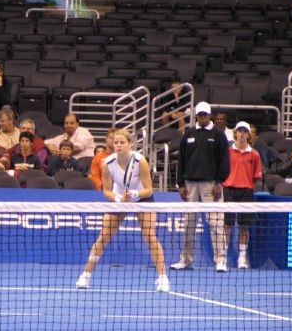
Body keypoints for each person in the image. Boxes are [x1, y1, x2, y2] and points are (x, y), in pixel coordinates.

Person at [76, 129, 170, 292]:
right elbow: (106, 190)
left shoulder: (140, 161)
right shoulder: (107, 163)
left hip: (142, 198)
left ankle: (163, 278)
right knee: (104, 237)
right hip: (119, 199)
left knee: (150, 236)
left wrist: (135, 193)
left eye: (122, 142)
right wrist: (118, 198)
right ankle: (85, 276)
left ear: (129, 144)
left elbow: (149, 189)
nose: (118, 145)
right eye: (116, 142)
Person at [171, 101, 230, 273]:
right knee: (189, 224)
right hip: (190, 185)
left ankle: (221, 261)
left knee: (216, 223)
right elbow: (182, 160)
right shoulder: (188, 133)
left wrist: (219, 182)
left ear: (210, 115)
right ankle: (186, 260)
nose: (203, 117)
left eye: (205, 114)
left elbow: (224, 161)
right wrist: (180, 184)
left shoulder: (218, 135)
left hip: (211, 185)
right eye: (200, 115)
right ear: (196, 116)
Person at [222, 122, 262, 270]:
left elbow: (256, 177)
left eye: (245, 131)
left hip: (246, 192)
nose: (242, 133)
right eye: (240, 131)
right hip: (229, 191)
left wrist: (245, 183)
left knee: (244, 227)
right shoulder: (227, 152)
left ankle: (242, 258)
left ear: (248, 135)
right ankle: (223, 258)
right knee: (227, 226)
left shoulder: (255, 155)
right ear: (236, 133)